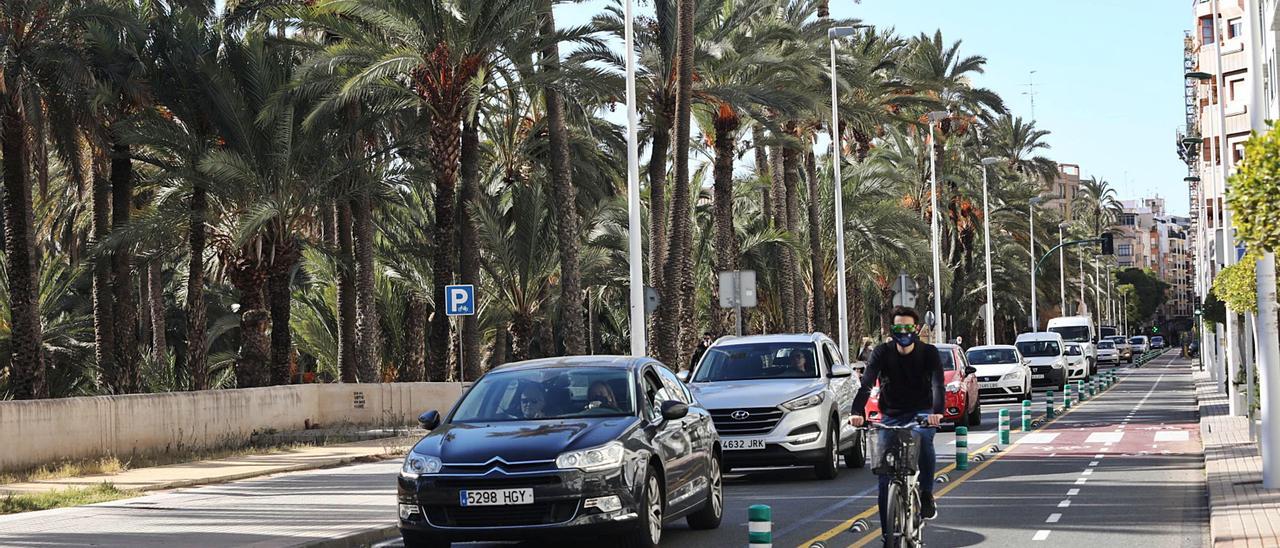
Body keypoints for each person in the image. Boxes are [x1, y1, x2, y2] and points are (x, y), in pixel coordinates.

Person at [849, 306, 946, 532]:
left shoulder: (928, 353)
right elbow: (867, 383)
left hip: (922, 413)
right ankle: (887, 536)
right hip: (890, 415)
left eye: (908, 327)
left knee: (923, 440)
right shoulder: (882, 352)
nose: (904, 332)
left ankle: (926, 493)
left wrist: (937, 412)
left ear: (917, 328)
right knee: (884, 478)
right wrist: (857, 412)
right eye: (899, 327)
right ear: (892, 330)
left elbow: (938, 384)